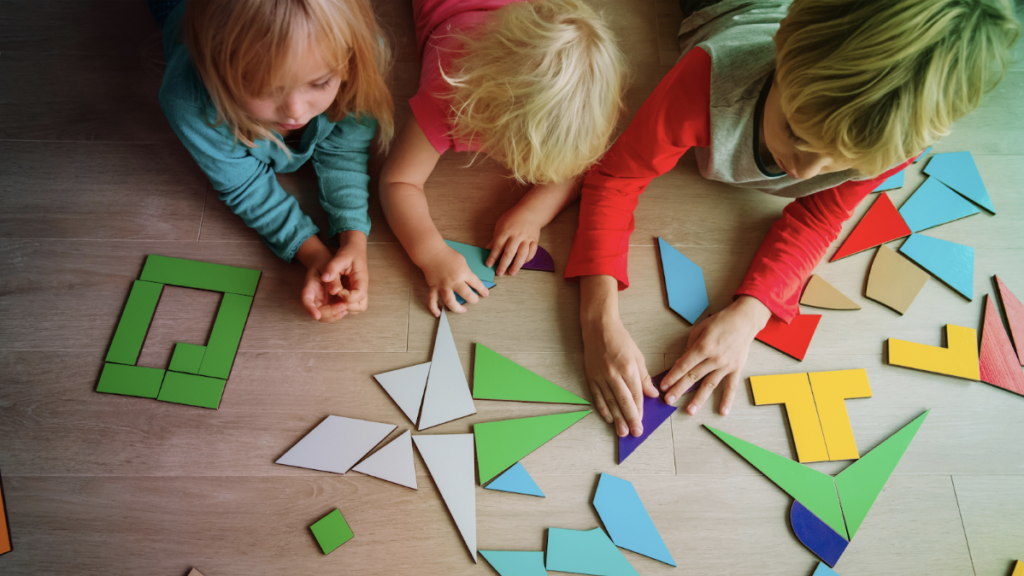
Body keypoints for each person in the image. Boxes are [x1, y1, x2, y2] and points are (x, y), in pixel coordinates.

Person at [568, 0, 1021, 437]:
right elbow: (616, 178)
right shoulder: (708, 78)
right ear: (782, 50)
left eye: (841, 166)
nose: (804, 172)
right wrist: (597, 321)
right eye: (796, 134)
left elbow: (820, 217)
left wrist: (753, 311)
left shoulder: (893, 141)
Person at [379, 0, 626, 317]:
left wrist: (532, 214)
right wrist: (433, 255)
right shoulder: (447, 98)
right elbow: (397, 181)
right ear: (490, 124)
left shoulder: (583, 109)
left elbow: (577, 168)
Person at [155, 0, 394, 322]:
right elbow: (245, 186)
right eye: (264, 89)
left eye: (320, 82)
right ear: (216, 71)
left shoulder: (365, 54)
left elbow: (344, 151)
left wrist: (353, 237)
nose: (295, 111)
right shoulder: (188, 98)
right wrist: (311, 253)